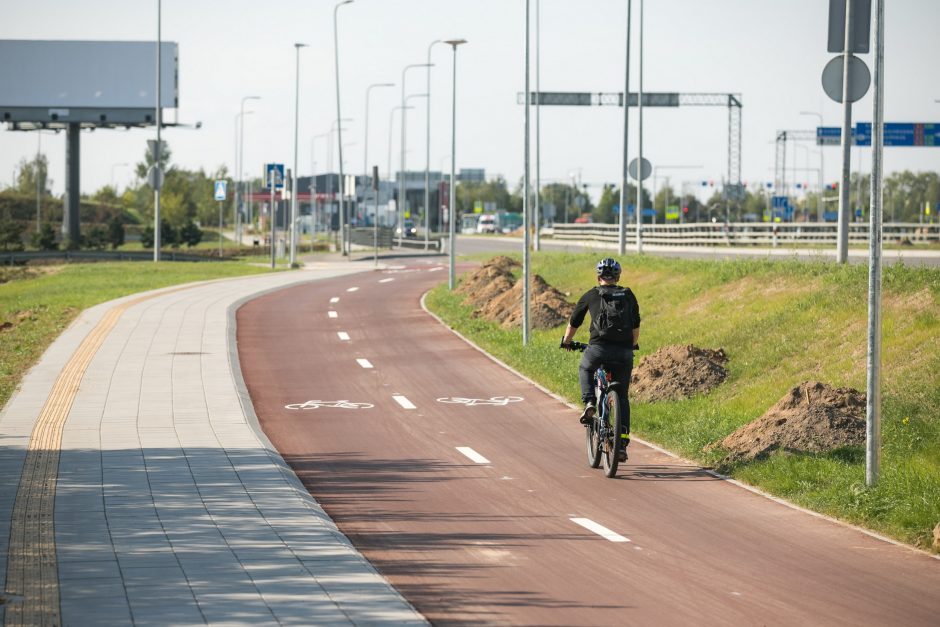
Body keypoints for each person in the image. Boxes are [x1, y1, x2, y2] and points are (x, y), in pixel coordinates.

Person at [560, 257, 640, 461]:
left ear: (598, 277)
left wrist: (567, 341)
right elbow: (636, 325)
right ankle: (621, 445)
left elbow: (574, 321)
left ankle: (589, 402)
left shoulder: (591, 295)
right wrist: (631, 345)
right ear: (618, 277)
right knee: (621, 397)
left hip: (598, 349)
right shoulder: (629, 295)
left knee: (586, 369)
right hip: (623, 352)